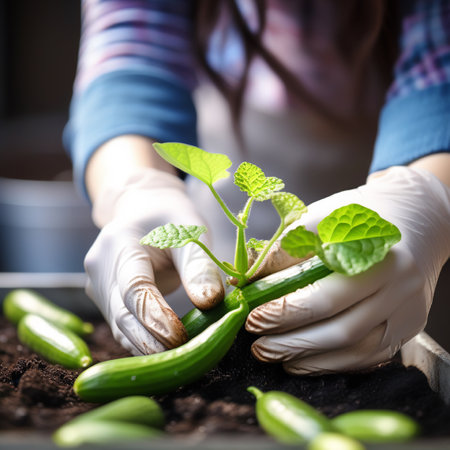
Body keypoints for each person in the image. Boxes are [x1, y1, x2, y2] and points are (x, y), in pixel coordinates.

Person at [64, 0, 450, 374]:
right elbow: (132, 43)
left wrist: (427, 201)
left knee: (394, 313)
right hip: (235, 145)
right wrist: (135, 185)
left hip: (424, 170)